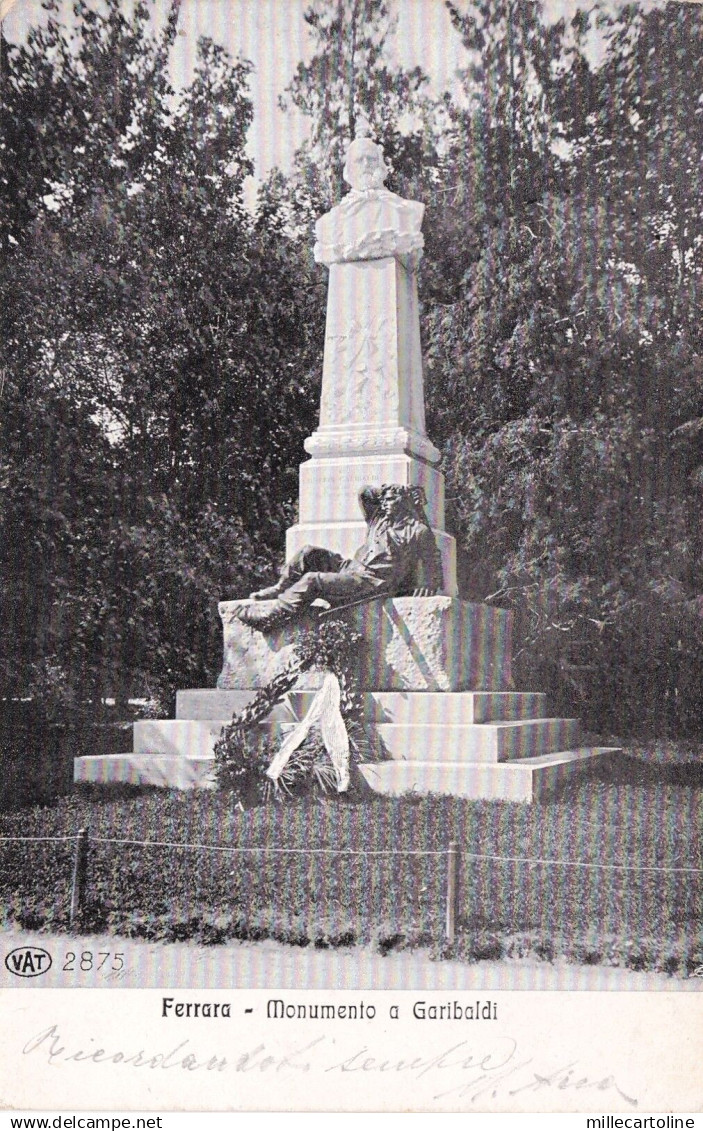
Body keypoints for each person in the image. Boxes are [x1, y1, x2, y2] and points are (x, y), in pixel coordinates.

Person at [236, 484, 443, 632]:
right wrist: (386, 490)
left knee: (313, 580)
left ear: (405, 501)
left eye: (391, 499)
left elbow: (432, 557)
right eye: (384, 499)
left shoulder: (417, 530)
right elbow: (364, 493)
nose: (385, 503)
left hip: (370, 582)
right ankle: (281, 588)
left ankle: (270, 619)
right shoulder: (378, 519)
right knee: (309, 552)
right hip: (351, 567)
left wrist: (431, 581)